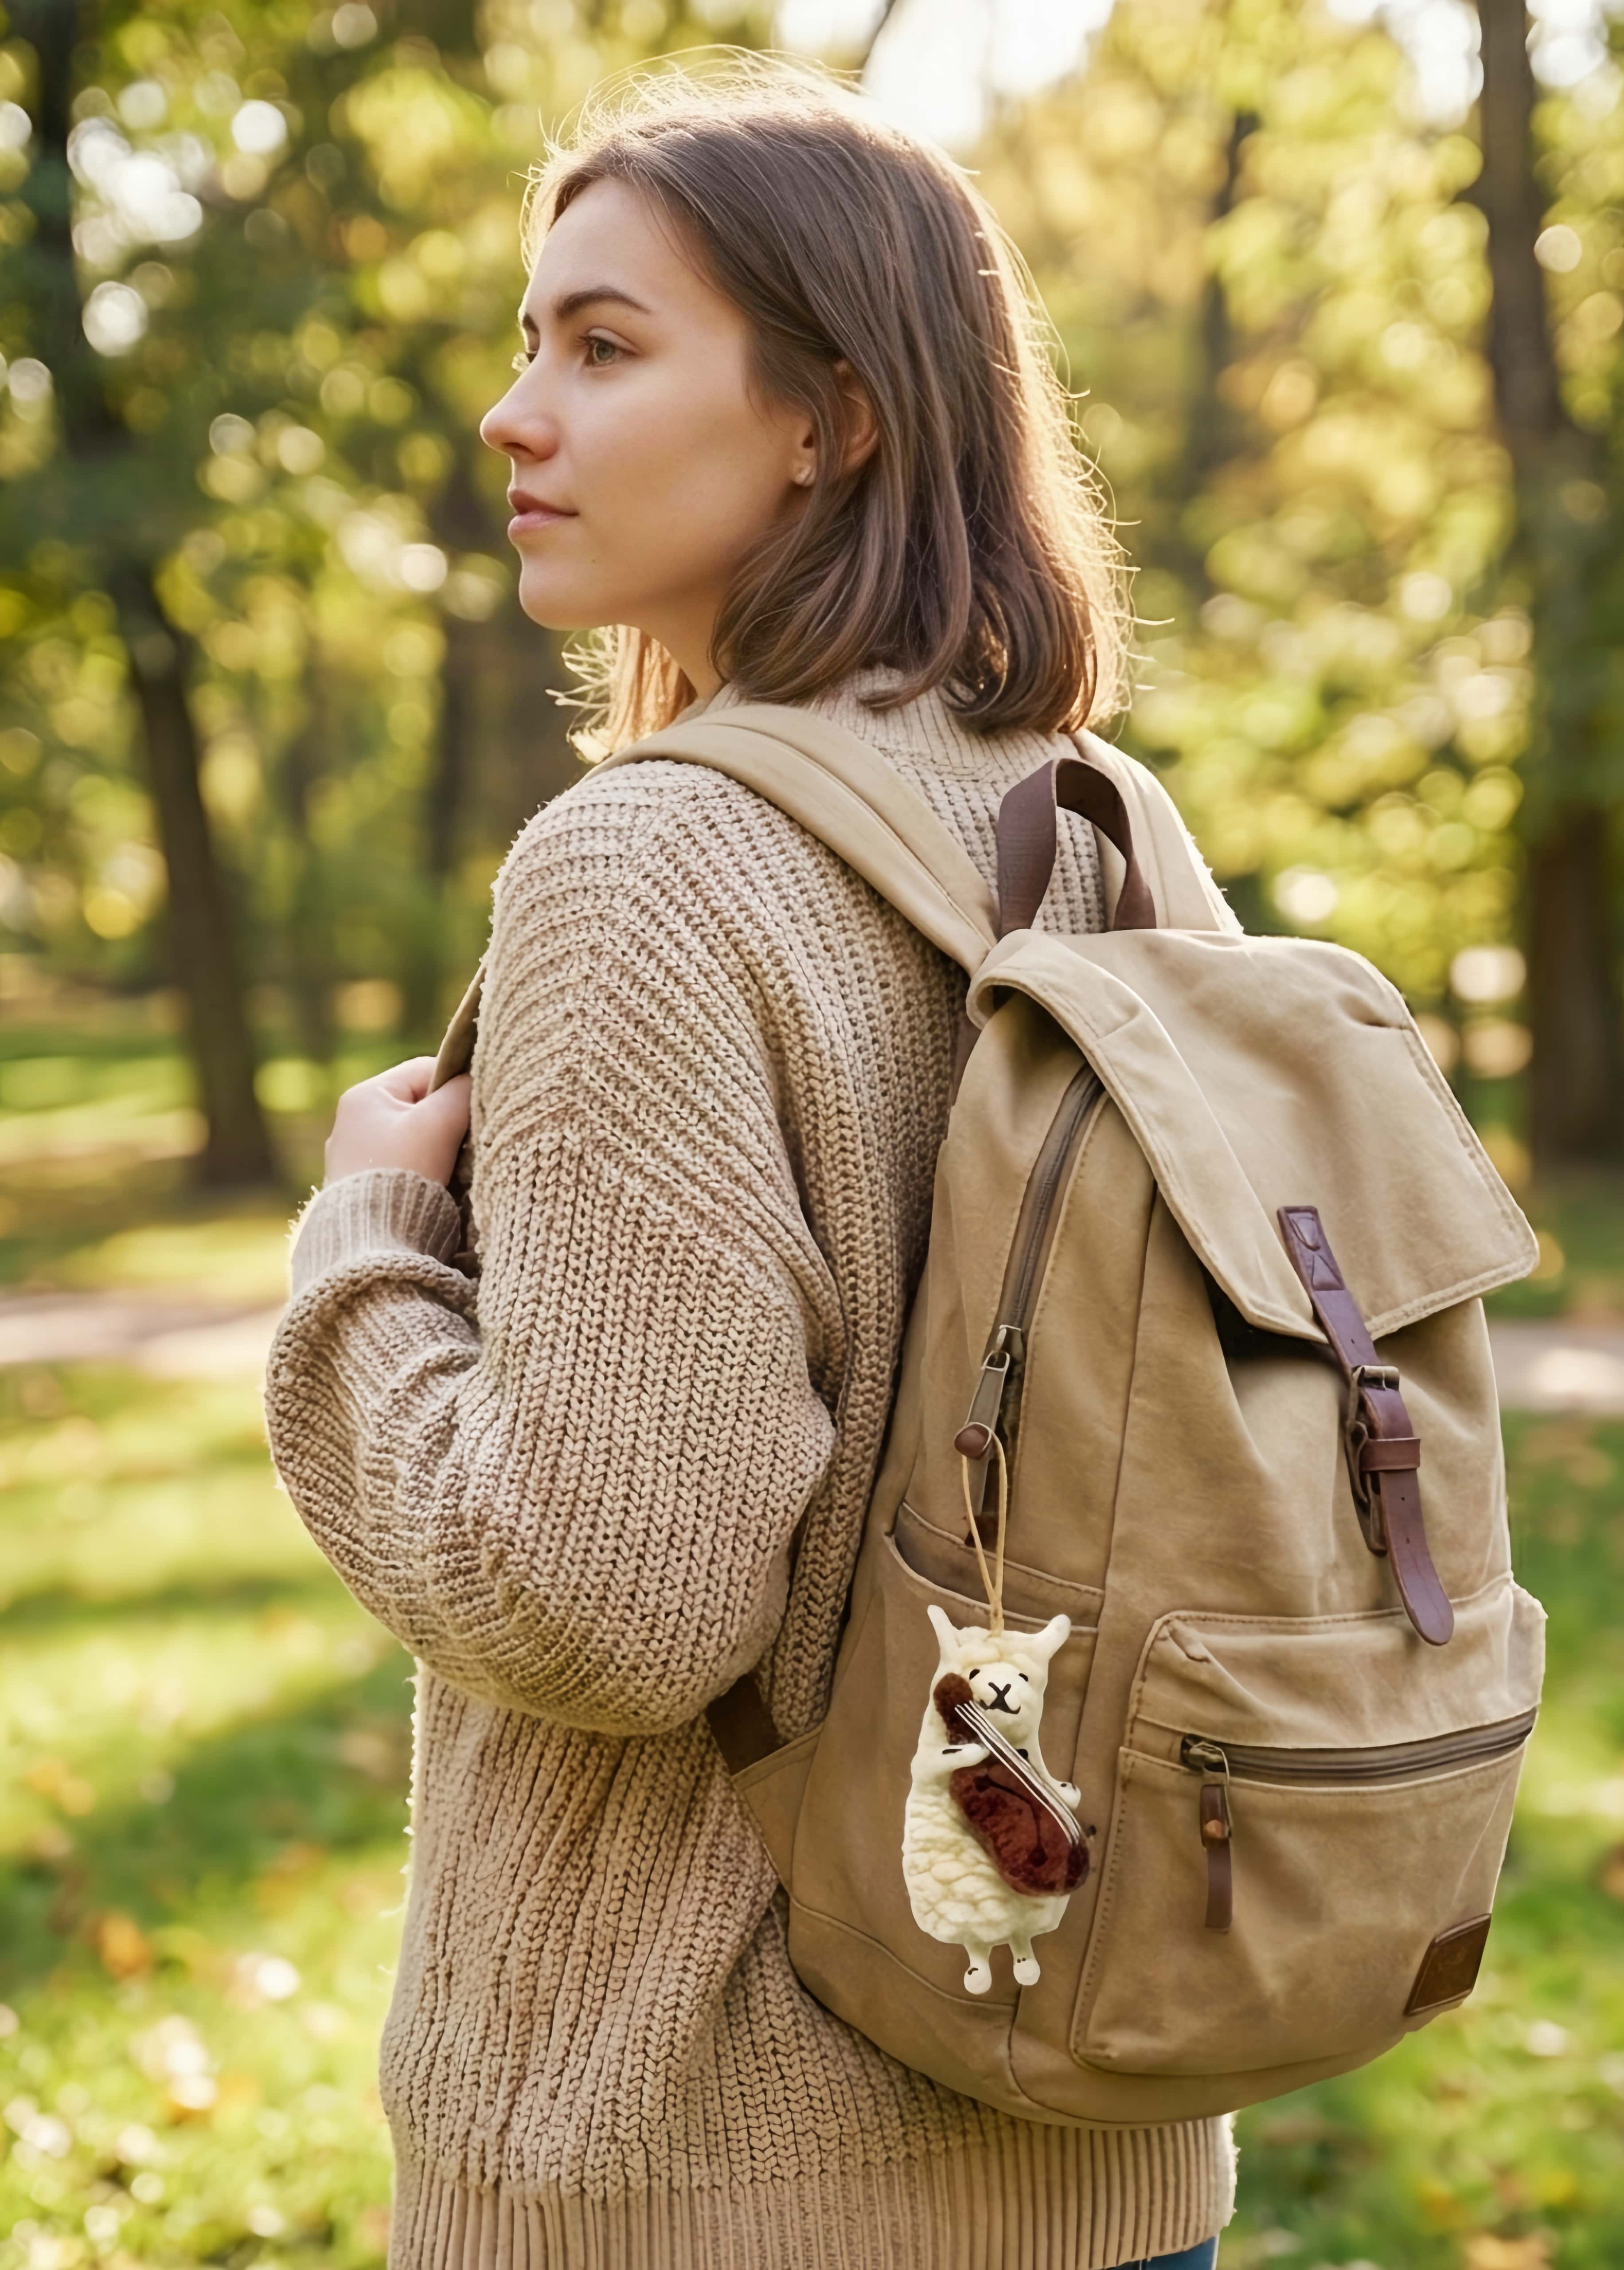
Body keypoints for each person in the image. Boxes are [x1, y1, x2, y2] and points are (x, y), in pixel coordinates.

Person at [265, 54, 1233, 2270]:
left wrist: (367, 1249)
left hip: (706, 2175)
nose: (516, 416)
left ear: (833, 416)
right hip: (1100, 2116)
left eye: (603, 347)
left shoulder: (647, 866)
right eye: (529, 345)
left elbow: (604, 1600)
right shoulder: (1094, 818)